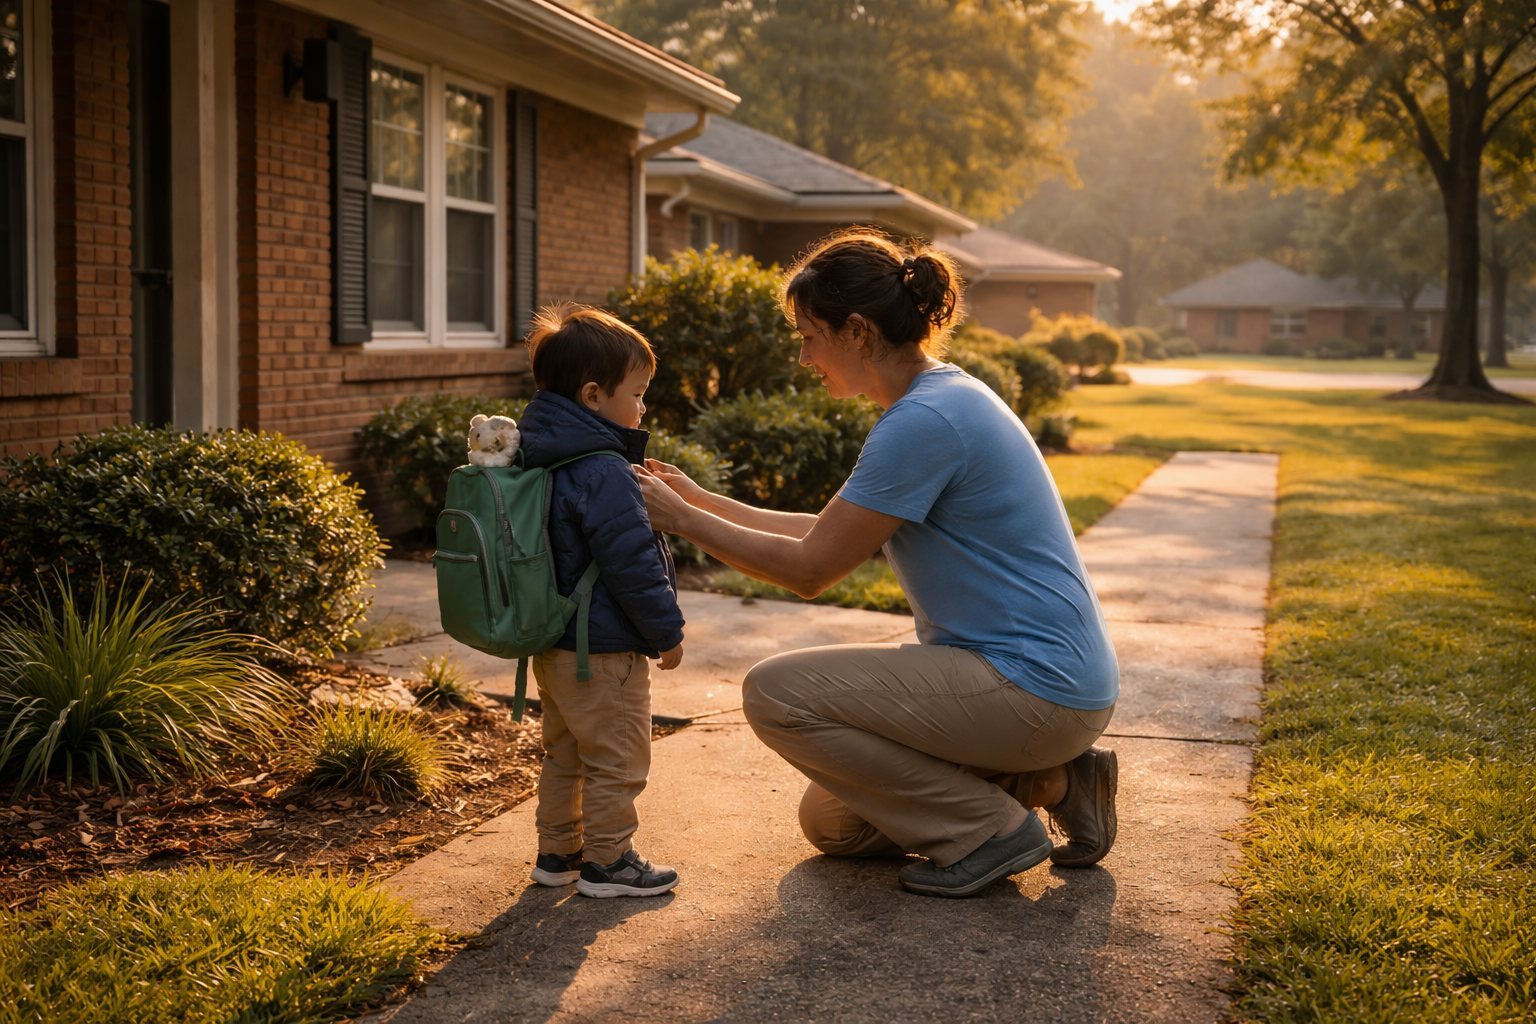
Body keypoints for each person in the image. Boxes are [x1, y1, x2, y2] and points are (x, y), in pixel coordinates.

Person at [637, 229, 1119, 899]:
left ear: (857, 333)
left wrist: (681, 520)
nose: (803, 356)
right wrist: (700, 500)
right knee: (836, 827)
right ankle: (1056, 781)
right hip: (1040, 686)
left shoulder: (925, 420)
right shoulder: (938, 400)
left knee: (774, 693)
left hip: (1033, 686)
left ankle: (991, 830)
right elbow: (831, 532)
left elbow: (812, 569)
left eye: (809, 336)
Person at [516, 303, 686, 899]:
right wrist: (666, 630)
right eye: (637, 393)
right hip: (604, 648)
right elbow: (632, 562)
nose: (642, 406)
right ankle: (610, 863)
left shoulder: (539, 455)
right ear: (593, 395)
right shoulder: (603, 468)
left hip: (556, 644)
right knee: (617, 757)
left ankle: (557, 852)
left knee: (564, 753)